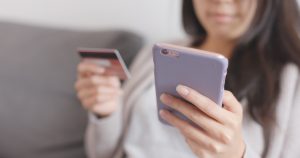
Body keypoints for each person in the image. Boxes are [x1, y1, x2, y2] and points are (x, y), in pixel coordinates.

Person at [75, 0, 300, 157]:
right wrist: (105, 113)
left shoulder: (292, 81)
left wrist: (235, 154)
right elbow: (100, 153)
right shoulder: (158, 53)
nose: (220, 1)